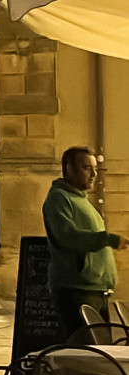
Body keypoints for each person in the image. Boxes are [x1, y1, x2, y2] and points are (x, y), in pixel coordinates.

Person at [43, 146, 121, 342]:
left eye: (95, 168)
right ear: (68, 168)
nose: (94, 174)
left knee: (102, 355)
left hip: (95, 290)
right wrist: (108, 239)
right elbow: (68, 236)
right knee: (84, 356)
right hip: (77, 291)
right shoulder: (58, 199)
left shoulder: (81, 199)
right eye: (87, 168)